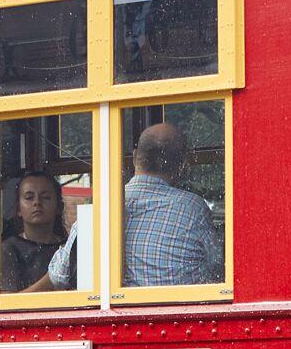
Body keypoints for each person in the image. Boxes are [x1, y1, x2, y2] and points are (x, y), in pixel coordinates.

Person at [52, 120, 221, 290]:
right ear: (182, 164)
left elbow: (59, 275)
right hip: (176, 310)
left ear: (134, 157)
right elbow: (216, 266)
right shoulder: (192, 207)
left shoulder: (105, 204)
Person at [0, 171, 65, 294]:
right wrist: (51, 279)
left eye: (45, 197)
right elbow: (7, 304)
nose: (37, 203)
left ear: (59, 207)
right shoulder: (8, 249)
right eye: (29, 197)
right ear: (18, 209)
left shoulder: (67, 248)